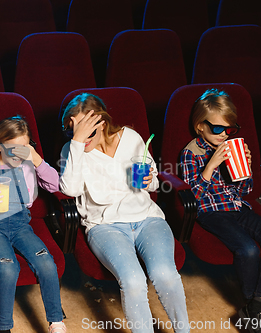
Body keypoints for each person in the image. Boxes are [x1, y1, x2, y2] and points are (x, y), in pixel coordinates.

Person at [59, 93, 190, 333]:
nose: (80, 137)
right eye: (72, 131)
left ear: (102, 123)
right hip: (104, 226)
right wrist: (76, 143)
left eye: (86, 130)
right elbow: (69, 189)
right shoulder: (72, 149)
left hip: (147, 219)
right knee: (133, 281)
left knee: (165, 275)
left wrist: (149, 179)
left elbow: (152, 185)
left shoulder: (131, 138)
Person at [180, 89, 261, 333]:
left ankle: (257, 303)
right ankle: (252, 301)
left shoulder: (232, 147)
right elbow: (193, 198)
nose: (224, 135)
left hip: (238, 207)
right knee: (247, 249)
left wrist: (244, 167)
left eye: (229, 129)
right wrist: (211, 165)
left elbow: (245, 191)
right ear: (200, 127)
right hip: (211, 211)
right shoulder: (190, 153)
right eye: (217, 129)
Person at [0, 116, 66, 333]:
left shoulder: (27, 167)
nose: (19, 153)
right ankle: (4, 328)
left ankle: (56, 321)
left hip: (19, 225)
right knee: (8, 268)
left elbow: (56, 185)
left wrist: (36, 160)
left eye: (24, 147)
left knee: (46, 262)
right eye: (13, 148)